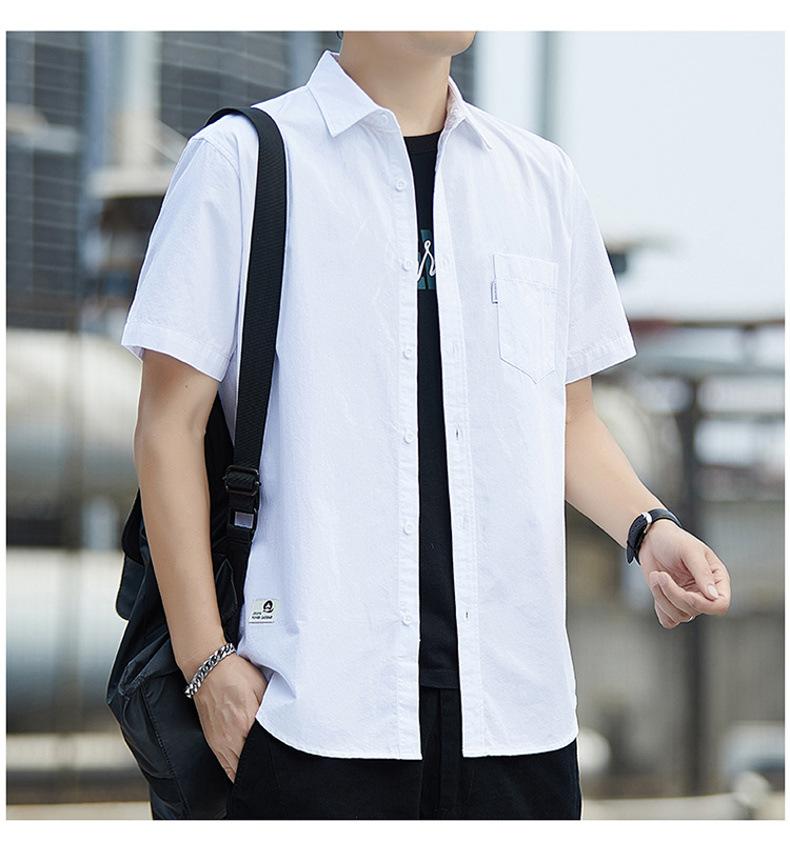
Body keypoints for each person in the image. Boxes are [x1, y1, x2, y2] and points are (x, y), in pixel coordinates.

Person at [120, 31, 732, 820]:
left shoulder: (539, 179)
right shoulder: (240, 162)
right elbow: (167, 428)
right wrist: (206, 666)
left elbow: (568, 421)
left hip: (518, 721)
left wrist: (649, 528)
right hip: (310, 716)